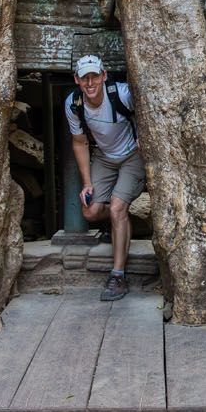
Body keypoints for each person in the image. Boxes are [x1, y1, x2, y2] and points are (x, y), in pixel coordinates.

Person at [65, 55, 145, 301]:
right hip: (103, 157)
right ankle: (119, 222)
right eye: (84, 78)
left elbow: (148, 110)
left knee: (117, 208)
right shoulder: (74, 103)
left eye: (95, 76)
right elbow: (79, 142)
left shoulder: (121, 94)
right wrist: (87, 182)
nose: (90, 83)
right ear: (77, 79)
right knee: (90, 211)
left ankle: (118, 276)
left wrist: (144, 137)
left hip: (132, 156)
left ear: (104, 76)